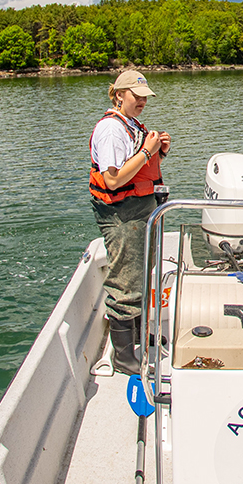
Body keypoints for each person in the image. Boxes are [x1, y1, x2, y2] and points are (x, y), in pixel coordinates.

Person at [89, 70, 171, 374]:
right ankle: (123, 356)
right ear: (119, 95)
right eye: (136, 97)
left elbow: (138, 169)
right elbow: (113, 180)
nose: (142, 102)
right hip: (122, 214)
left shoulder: (132, 126)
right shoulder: (111, 129)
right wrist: (148, 149)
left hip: (140, 209)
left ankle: (138, 335)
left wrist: (158, 153)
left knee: (140, 273)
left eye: (145, 97)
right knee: (126, 280)